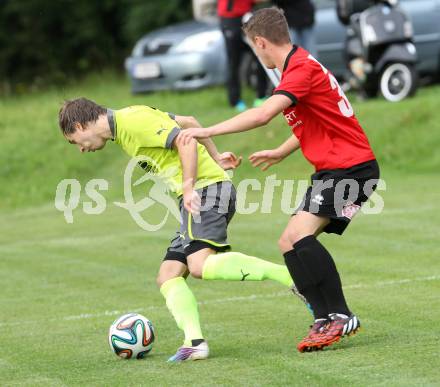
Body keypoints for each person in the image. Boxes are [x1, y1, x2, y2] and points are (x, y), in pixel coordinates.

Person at [178, 7, 380, 352]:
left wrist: (207, 129)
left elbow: (262, 115)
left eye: (255, 50)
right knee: (288, 242)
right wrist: (282, 151)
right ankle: (322, 318)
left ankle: (341, 315)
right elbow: (321, 121)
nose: (258, 56)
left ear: (261, 42)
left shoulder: (300, 70)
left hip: (352, 169)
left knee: (300, 236)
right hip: (338, 169)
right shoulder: (299, 65)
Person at [58, 99, 308, 361]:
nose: (81, 150)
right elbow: (188, 122)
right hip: (204, 189)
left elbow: (185, 141)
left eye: (74, 141)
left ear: (79, 125)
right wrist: (216, 157)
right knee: (168, 275)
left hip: (204, 191)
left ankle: (293, 277)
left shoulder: (131, 122)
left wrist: (188, 187)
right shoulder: (125, 125)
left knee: (199, 265)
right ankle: (195, 342)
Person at [218, 0, 268, 111]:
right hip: (230, 20)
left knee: (260, 56)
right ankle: (235, 101)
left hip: (247, 18)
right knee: (233, 63)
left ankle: (261, 96)